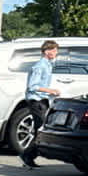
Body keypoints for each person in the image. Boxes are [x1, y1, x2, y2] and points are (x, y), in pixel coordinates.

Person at [19, 39, 60, 168]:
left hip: (42, 100)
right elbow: (33, 86)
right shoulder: (39, 66)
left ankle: (28, 156)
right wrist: (51, 90)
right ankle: (27, 155)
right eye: (54, 50)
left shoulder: (48, 65)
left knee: (41, 128)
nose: (56, 53)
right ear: (47, 52)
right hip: (35, 100)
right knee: (41, 128)